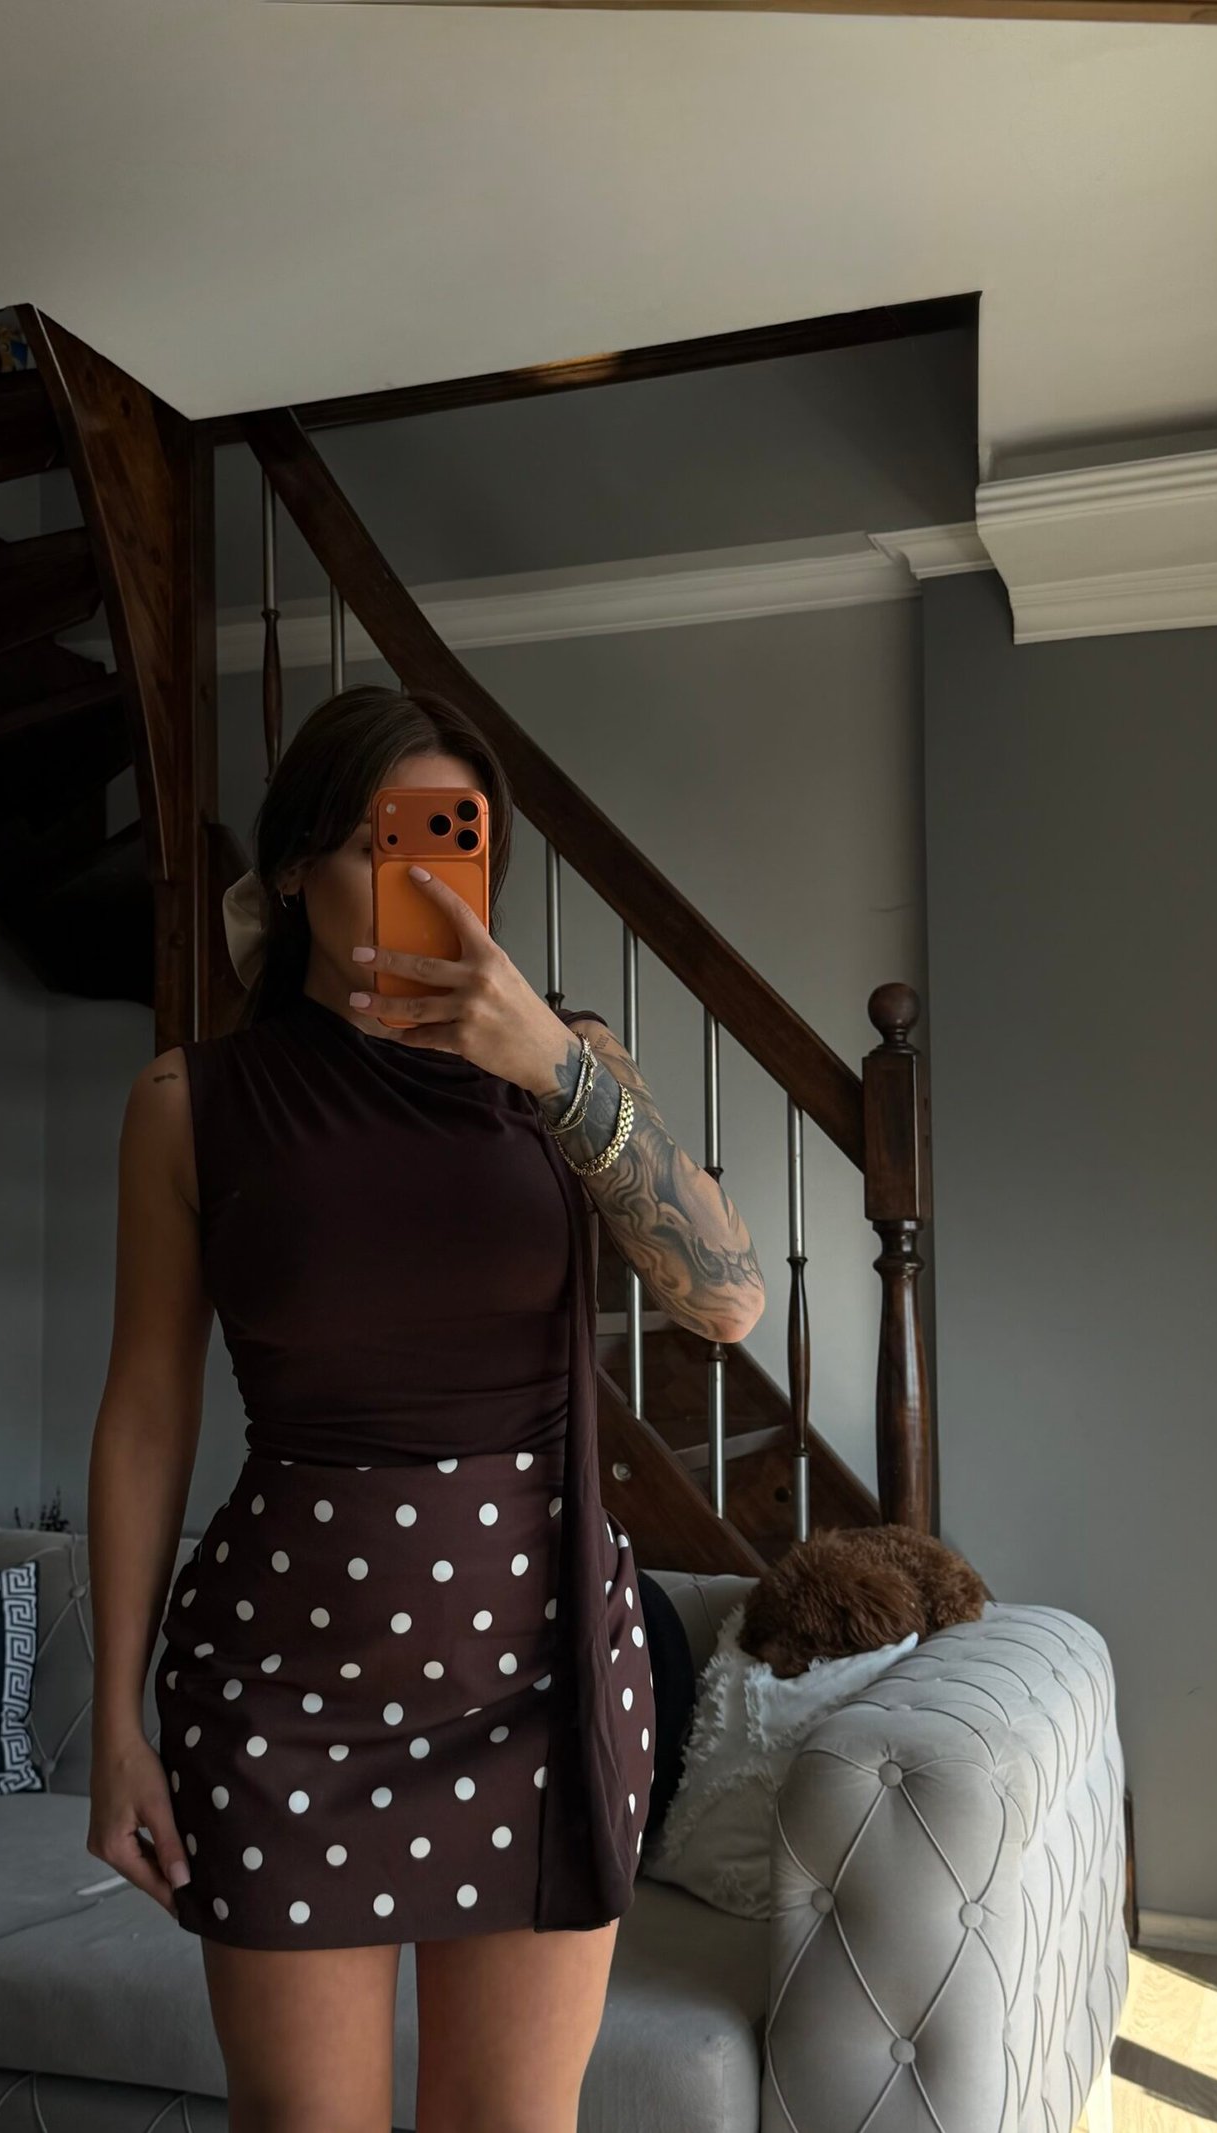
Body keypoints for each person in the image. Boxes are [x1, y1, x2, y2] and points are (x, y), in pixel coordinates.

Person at [84, 683, 765, 2133]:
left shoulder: (566, 1070)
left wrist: (554, 1066)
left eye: (454, 844)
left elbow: (726, 1300)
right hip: (278, 1695)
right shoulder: (189, 1103)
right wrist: (113, 1721)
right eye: (380, 843)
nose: (428, 885)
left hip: (544, 1675)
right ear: (293, 869)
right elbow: (144, 1414)